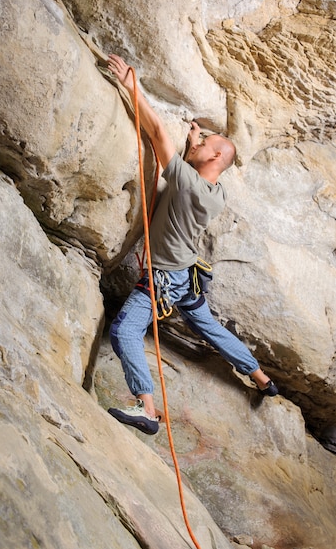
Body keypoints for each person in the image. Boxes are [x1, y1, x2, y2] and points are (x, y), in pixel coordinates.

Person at [106, 53, 278, 436]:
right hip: (186, 275)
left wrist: (130, 84)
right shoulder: (215, 192)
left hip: (167, 278)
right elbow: (185, 178)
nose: (199, 140)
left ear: (215, 155)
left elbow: (156, 134)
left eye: (206, 140)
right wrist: (191, 146)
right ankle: (262, 377)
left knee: (125, 331)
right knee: (211, 329)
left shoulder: (187, 181)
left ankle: (147, 410)